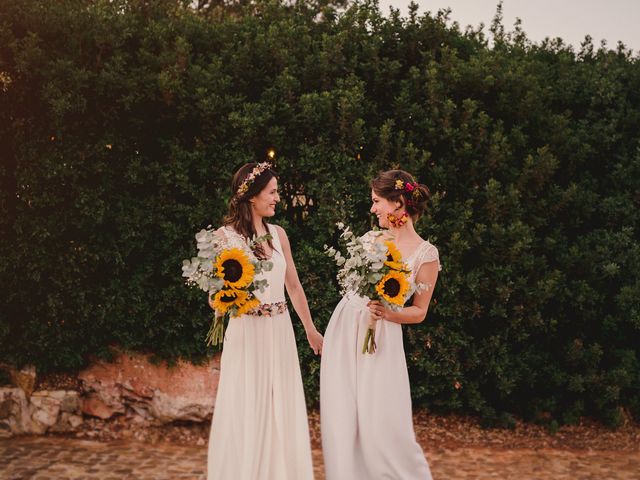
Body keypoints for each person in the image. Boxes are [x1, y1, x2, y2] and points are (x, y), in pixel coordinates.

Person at [320, 169, 441, 479]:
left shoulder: (427, 255)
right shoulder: (369, 240)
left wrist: (388, 314)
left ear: (398, 203)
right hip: (346, 330)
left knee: (383, 423)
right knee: (342, 418)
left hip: (382, 339)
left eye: (377, 201)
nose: (373, 209)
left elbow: (419, 311)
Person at [207, 161, 323, 480]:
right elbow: (214, 294)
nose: (277, 199)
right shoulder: (225, 237)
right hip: (246, 330)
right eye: (272, 193)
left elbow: (294, 287)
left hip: (280, 328)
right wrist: (224, 301)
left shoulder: (278, 234)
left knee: (280, 405)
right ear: (252, 196)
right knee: (246, 402)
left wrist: (310, 330)